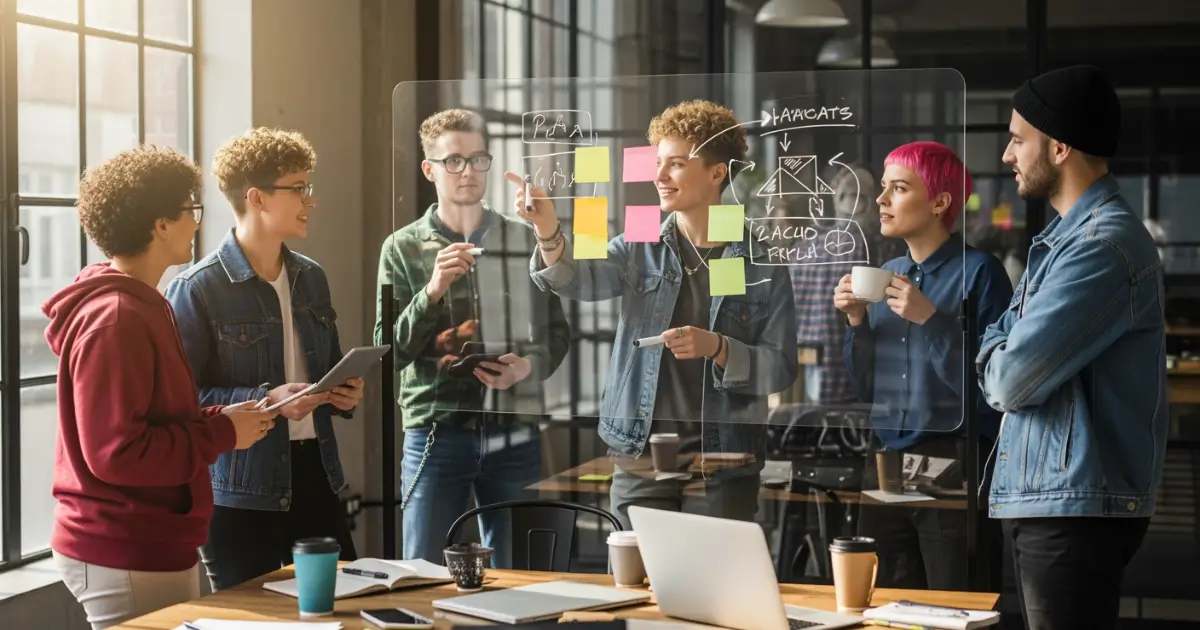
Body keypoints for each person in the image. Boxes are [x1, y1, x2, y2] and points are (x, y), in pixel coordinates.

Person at [515, 99, 797, 529]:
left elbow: (780, 366)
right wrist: (548, 231)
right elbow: (577, 281)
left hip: (721, 463)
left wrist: (719, 348)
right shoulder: (641, 240)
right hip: (639, 455)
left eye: (677, 164)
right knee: (631, 589)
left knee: (711, 595)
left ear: (718, 172)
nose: (659, 176)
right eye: (658, 162)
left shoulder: (759, 259)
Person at [43, 146, 273, 629]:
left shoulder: (146, 303)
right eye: (190, 209)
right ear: (160, 224)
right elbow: (117, 453)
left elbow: (153, 420)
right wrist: (221, 435)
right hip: (125, 542)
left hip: (150, 538)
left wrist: (225, 419)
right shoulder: (118, 319)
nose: (196, 222)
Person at [977, 65, 1167, 630]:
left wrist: (993, 347)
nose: (1007, 155)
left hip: (1075, 509)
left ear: (1059, 146)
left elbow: (1009, 381)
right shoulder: (1062, 242)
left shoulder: (1099, 248)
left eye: (1017, 139)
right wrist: (1000, 343)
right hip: (1059, 501)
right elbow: (1004, 346)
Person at [164, 128, 364, 590]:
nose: (310, 200)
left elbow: (326, 369)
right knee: (250, 618)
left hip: (317, 473)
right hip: (240, 489)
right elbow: (181, 402)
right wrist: (266, 400)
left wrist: (343, 392)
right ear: (256, 197)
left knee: (339, 605)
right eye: (299, 188)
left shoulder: (311, 277)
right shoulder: (197, 289)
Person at [374, 108, 570, 566]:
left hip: (514, 426)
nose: (468, 172)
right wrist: (432, 291)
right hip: (438, 429)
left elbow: (555, 333)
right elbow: (389, 350)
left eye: (478, 160)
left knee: (523, 574)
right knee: (423, 571)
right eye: (454, 161)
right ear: (430, 170)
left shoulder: (521, 239)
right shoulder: (402, 247)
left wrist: (528, 365)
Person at [833, 141, 1013, 590]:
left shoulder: (981, 273)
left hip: (953, 470)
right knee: (885, 605)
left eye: (897, 188)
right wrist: (856, 322)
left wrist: (930, 320)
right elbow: (867, 389)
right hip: (886, 468)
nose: (880, 199)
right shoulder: (887, 271)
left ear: (939, 202)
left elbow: (994, 391)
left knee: (957, 604)